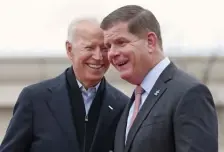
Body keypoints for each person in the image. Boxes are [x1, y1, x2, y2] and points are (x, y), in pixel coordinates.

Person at [101, 5, 218, 152]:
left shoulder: (189, 93)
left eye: (121, 42)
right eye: (108, 46)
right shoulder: (132, 103)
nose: (112, 53)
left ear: (150, 41)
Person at [0, 18, 129, 152]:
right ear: (69, 49)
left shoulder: (123, 106)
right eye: (89, 47)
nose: (98, 56)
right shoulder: (35, 99)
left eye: (104, 49)